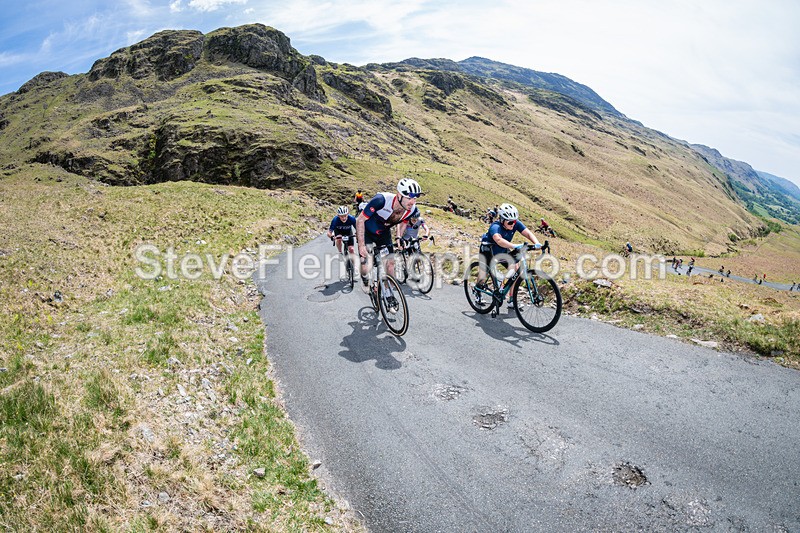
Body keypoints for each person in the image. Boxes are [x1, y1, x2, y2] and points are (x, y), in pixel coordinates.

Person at [476, 203, 543, 309]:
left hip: (502, 251)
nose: (513, 224)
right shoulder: (495, 226)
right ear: (502, 219)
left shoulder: (515, 223)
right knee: (484, 274)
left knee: (517, 269)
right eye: (510, 222)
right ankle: (477, 291)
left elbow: (528, 233)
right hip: (488, 250)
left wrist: (537, 243)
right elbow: (498, 240)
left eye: (515, 221)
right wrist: (514, 245)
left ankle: (511, 299)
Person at [357, 178, 422, 286]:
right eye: (409, 197)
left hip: (384, 233)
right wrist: (361, 245)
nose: (412, 201)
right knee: (365, 264)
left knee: (391, 263)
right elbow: (360, 220)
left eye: (415, 198)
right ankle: (364, 276)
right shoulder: (381, 200)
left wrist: (398, 237)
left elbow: (404, 222)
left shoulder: (412, 210)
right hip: (367, 231)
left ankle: (388, 293)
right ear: (399, 195)